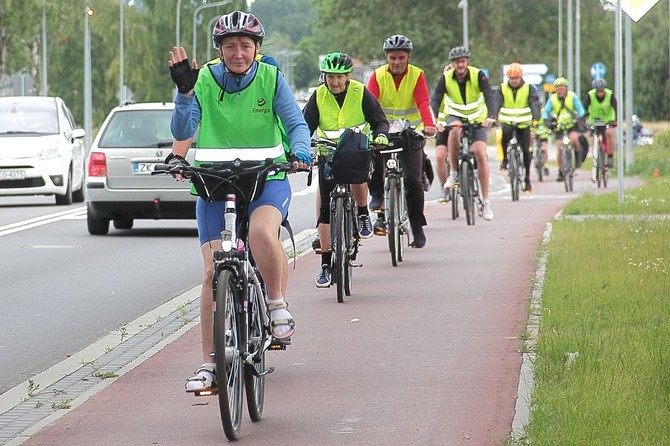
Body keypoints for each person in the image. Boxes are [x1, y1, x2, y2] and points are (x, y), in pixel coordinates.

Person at [167, 11, 311, 394]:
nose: (238, 53)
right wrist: (183, 95)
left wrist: (300, 151)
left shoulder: (270, 76)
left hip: (266, 177)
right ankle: (210, 365)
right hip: (214, 180)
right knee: (213, 273)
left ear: (257, 49)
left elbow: (295, 122)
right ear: (219, 50)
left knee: (263, 234)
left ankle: (277, 303)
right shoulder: (201, 80)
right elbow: (183, 130)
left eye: (245, 46)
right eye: (230, 46)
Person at [302, 52, 389, 287]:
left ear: (348, 76)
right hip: (327, 154)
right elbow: (304, 126)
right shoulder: (318, 95)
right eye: (330, 77)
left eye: (339, 77)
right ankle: (326, 264)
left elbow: (379, 120)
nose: (335, 82)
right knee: (323, 207)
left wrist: (380, 136)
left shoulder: (360, 92)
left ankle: (362, 213)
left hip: (355, 151)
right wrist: (300, 148)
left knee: (359, 175)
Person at [367, 34, 437, 248]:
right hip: (384, 129)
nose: (396, 62)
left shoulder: (417, 75)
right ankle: (378, 195)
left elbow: (423, 101)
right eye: (392, 58)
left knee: (414, 181)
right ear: (387, 58)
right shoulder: (377, 76)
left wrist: (428, 124)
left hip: (410, 131)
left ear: (408, 58)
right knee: (373, 157)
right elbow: (368, 103)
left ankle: (416, 226)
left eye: (401, 58)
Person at [433, 46, 497, 221]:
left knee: (480, 154)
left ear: (467, 61)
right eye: (456, 62)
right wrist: (434, 119)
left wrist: (491, 116)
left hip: (477, 118)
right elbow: (436, 98)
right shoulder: (446, 78)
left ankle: (485, 202)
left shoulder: (478, 75)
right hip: (455, 117)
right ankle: (453, 172)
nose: (460, 65)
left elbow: (489, 95)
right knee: (454, 130)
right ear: (452, 63)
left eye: (462, 61)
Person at [493, 62, 542, 193]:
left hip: (523, 122)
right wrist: (493, 116)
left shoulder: (529, 88)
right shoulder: (502, 88)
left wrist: (536, 118)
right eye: (511, 78)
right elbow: (497, 102)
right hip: (507, 120)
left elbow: (534, 103)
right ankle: (504, 160)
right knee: (504, 135)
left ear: (521, 77)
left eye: (516, 78)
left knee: (526, 150)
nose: (514, 81)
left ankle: (527, 179)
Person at [541, 77, 586, 182]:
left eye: (562, 88)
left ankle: (577, 155)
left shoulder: (572, 96)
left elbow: (580, 109)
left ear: (565, 88)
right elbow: (545, 112)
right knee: (560, 147)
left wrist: (580, 117)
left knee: (574, 139)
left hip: (571, 124)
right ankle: (561, 171)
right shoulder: (552, 99)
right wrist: (546, 120)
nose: (560, 91)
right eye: (557, 89)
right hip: (559, 126)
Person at [583, 77, 617, 167]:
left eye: (602, 91)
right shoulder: (590, 95)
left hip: (607, 120)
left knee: (610, 133)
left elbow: (615, 108)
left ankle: (610, 156)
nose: (600, 93)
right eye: (598, 91)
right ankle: (596, 155)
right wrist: (584, 118)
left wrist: (615, 120)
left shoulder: (610, 95)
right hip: (595, 120)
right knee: (594, 138)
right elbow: (584, 108)